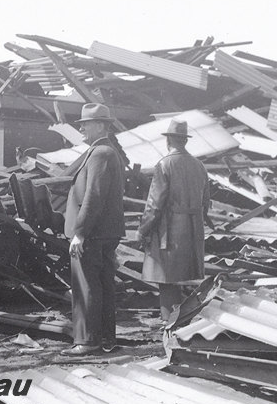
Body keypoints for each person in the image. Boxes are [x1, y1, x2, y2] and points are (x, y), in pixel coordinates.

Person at [62, 103, 125, 356]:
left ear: (101, 125)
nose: (81, 129)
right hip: (104, 232)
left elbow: (94, 196)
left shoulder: (100, 153)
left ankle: (87, 342)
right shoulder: (106, 151)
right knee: (102, 286)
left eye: (85, 124)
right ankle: (105, 338)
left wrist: (80, 232)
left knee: (86, 285)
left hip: (93, 233)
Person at [136, 119, 210, 322]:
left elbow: (154, 203)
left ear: (168, 141)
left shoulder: (164, 164)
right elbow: (206, 201)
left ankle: (170, 322)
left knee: (166, 279)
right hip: (193, 229)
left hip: (169, 230)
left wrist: (143, 230)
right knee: (182, 277)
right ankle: (181, 319)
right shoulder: (199, 165)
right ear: (184, 141)